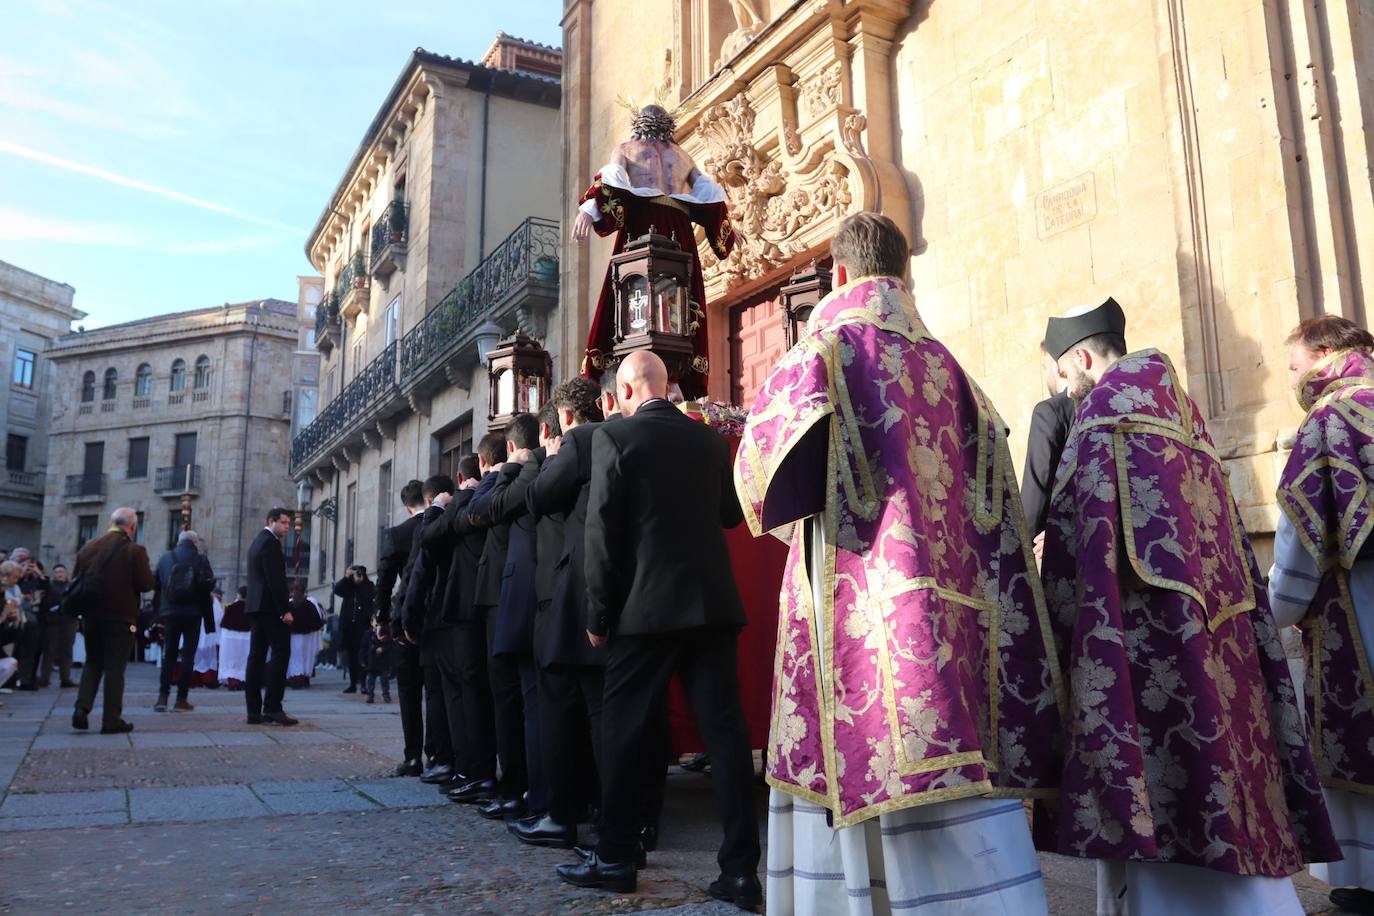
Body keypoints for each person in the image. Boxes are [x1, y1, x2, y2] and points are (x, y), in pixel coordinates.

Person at [734, 212, 1063, 915]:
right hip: (952, 612)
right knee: (951, 737)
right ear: (903, 274)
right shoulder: (956, 370)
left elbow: (757, 474)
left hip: (856, 602)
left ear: (842, 274)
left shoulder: (825, 347)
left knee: (863, 739)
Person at [1035, 299, 1338, 914]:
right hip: (1225, 649)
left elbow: (1073, 555)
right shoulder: (1185, 416)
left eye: (1063, 375)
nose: (1066, 388)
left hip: (1146, 657)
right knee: (1234, 785)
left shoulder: (1098, 422)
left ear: (1082, 360)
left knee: (1168, 807)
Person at [556, 351, 760, 905]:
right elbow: (728, 515)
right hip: (711, 608)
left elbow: (601, 534)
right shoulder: (710, 441)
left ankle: (616, 855)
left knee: (622, 732)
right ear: (667, 388)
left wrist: (598, 614)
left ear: (623, 391)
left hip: (643, 613)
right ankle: (741, 870)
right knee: (727, 736)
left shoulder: (615, 439)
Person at [1269, 315, 1374, 916]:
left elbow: (1301, 538)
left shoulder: (1330, 421)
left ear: (1327, 354)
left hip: (1356, 606)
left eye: (1294, 363)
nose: (1293, 377)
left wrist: (1272, 608)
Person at [573, 104, 735, 400]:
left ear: (639, 123)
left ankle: (638, 371)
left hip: (642, 223)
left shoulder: (626, 148)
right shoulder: (683, 156)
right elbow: (709, 194)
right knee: (681, 296)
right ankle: (673, 378)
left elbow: (609, 183)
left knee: (631, 290)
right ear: (668, 125)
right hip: (678, 227)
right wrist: (725, 230)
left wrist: (588, 209)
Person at [513, 379, 606, 849]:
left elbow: (537, 498)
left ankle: (561, 814)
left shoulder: (577, 440)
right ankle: (616, 822)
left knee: (560, 710)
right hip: (608, 594)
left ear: (566, 416)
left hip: (571, 598)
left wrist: (541, 460)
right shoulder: (619, 438)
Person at [467, 413, 546, 822]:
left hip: (509, 597)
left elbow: (480, 509)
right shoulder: (538, 469)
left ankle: (517, 787)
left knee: (512, 697)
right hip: (520, 594)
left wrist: (505, 470)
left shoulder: (518, 475)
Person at [448, 435, 525, 808]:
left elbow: (472, 512)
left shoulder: (503, 480)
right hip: (505, 595)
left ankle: (511, 787)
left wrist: (496, 473)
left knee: (506, 697)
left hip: (501, 598)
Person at [421, 458, 497, 799]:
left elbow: (429, 536)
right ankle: (478, 771)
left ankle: (476, 772)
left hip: (465, 614)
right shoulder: (498, 494)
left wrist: (437, 505)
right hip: (493, 608)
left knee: (470, 694)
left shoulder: (464, 503)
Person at [70, 508, 155, 734]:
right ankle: (111, 720)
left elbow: (76, 577)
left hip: (91, 615)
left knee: (93, 661)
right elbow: (146, 584)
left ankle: (82, 708)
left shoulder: (88, 547)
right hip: (121, 616)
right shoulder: (134, 550)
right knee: (115, 668)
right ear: (133, 527)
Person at [400, 475, 459, 786]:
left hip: (434, 621)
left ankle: (442, 758)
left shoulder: (424, 527)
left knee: (438, 694)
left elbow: (416, 574)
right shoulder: (462, 512)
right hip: (463, 619)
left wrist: (405, 618)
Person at [377, 479, 427, 776]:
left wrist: (381, 619)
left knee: (409, 690)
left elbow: (384, 581)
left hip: (406, 617)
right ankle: (439, 754)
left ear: (407, 507)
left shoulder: (397, 533)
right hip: (439, 617)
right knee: (438, 691)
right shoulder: (444, 522)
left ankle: (412, 756)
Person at [244, 508, 298, 726]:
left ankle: (254, 710)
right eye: (283, 523)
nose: (287, 527)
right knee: (281, 652)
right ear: (271, 521)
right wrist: (284, 609)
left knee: (256, 657)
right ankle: (273, 707)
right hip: (270, 608)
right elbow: (275, 579)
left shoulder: (258, 541)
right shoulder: (270, 543)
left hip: (256, 606)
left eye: (288, 523)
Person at [151, 530, 215, 712]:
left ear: (179, 542)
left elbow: (156, 585)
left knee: (168, 654)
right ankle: (181, 699)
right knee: (188, 656)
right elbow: (209, 584)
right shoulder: (201, 559)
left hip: (170, 612)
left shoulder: (165, 558)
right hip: (193, 613)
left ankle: (162, 698)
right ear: (195, 543)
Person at [1021, 338, 1077, 537]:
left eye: (1045, 367)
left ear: (1056, 366)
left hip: (1064, 551)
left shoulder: (1049, 412)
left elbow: (1034, 498)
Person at [334, 565, 375, 693]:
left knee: (362, 656)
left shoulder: (368, 585)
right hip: (349, 626)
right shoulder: (348, 586)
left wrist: (362, 582)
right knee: (351, 656)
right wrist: (346, 577)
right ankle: (353, 684)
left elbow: (370, 595)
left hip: (362, 626)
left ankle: (363, 684)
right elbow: (337, 590)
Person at [0, 560, 39, 690]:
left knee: (12, 660)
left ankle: (17, 680)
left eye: (18, 578)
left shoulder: (14, 588)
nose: (16, 581)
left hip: (14, 624)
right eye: (14, 577)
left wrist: (14, 621)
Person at [37, 563, 77, 689]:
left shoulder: (72, 586)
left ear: (66, 574)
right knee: (49, 650)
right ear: (53, 574)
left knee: (67, 650)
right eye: (57, 572)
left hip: (68, 620)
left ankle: (65, 678)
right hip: (52, 621)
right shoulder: (49, 586)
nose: (59, 574)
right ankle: (44, 678)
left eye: (62, 572)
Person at [286, 583, 325, 687]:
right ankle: (304, 678)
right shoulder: (309, 604)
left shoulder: (289, 604)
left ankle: (296, 679)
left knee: (294, 658)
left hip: (293, 637)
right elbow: (317, 622)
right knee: (305, 657)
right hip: (307, 637)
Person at [218, 586, 251, 688]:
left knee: (230, 659)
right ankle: (243, 681)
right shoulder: (251, 608)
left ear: (239, 594)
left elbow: (224, 623)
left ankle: (232, 681)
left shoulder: (231, 607)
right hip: (247, 637)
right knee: (244, 659)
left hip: (230, 637)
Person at [362, 622, 395, 703]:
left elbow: (391, 644)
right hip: (371, 661)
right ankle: (370, 695)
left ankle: (386, 695)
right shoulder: (369, 634)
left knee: (384, 680)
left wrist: (383, 648)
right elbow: (364, 647)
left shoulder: (385, 632)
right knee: (370, 680)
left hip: (383, 661)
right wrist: (363, 660)